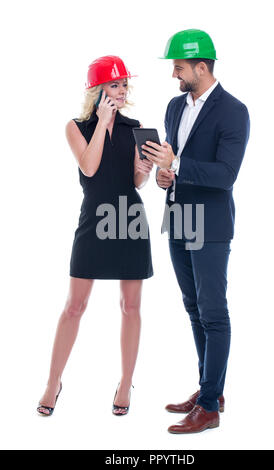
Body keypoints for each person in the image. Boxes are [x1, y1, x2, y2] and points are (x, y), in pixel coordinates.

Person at [141, 29, 250, 433]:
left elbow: (225, 175)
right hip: (179, 216)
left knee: (213, 311)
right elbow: (173, 162)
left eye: (179, 67)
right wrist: (164, 176)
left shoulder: (233, 111)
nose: (174, 74)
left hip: (211, 222)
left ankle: (209, 407)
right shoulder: (174, 106)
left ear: (201, 67)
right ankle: (210, 388)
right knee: (192, 307)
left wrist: (180, 166)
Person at [37, 55, 153, 417]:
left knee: (130, 306)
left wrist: (142, 170)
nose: (120, 91)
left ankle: (125, 382)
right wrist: (102, 124)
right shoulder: (76, 126)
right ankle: (53, 382)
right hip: (93, 221)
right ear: (97, 90)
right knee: (74, 306)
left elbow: (135, 182)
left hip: (129, 219)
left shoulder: (136, 127)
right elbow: (89, 167)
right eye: (113, 85)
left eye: (123, 85)